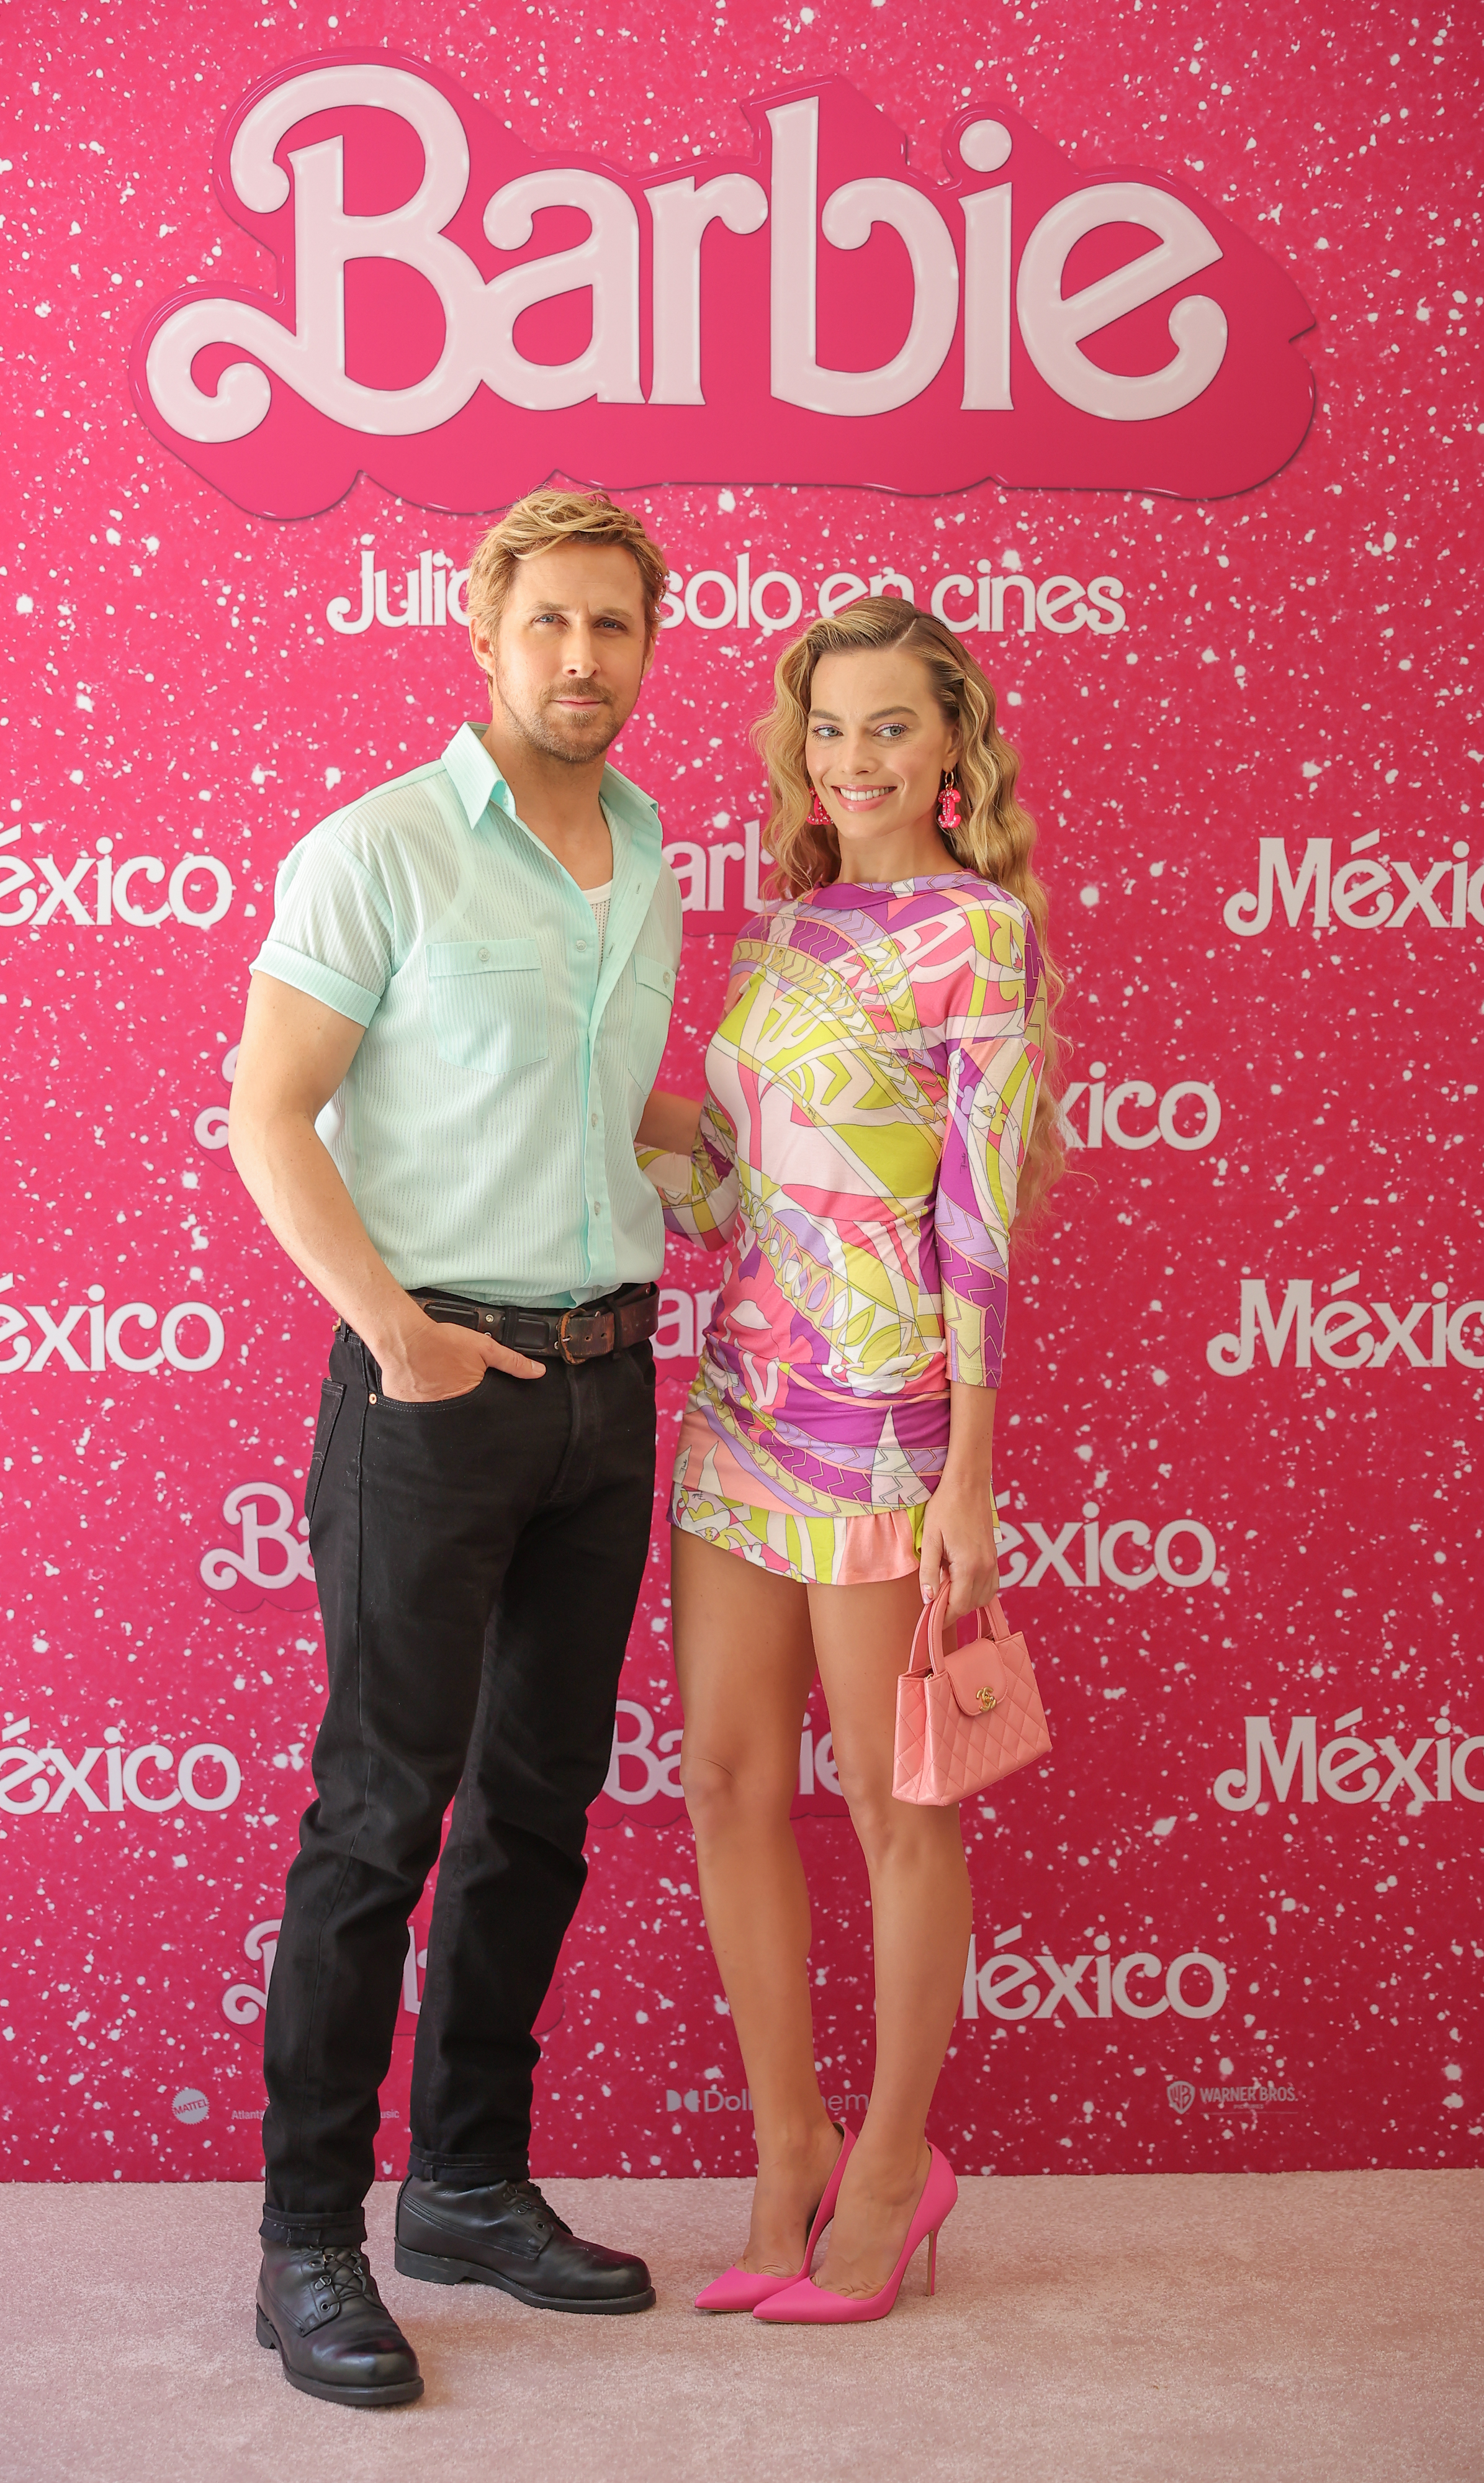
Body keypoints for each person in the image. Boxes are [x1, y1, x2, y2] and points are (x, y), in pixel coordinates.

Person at [227, 490, 683, 2407]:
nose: (585, 660)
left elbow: (601, 1109)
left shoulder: (645, 845)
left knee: (536, 1816)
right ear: (481, 628)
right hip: (438, 1389)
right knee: (375, 1820)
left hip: (608, 1382)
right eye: (553, 623)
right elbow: (270, 1115)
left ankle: (472, 2184)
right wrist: (399, 1338)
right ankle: (310, 2239)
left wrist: (700, 1158)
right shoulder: (382, 850)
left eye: (618, 629)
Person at [637, 598, 1064, 2325]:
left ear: (951, 749)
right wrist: (622, 1114)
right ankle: (787, 2149)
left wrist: (967, 1472)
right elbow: (742, 1191)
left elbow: (973, 1219)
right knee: (731, 1785)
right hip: (739, 1397)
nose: (851, 759)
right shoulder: (788, 926)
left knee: (895, 1810)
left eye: (887, 727)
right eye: (827, 729)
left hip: (887, 1420)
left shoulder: (981, 937)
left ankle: (897, 2164)